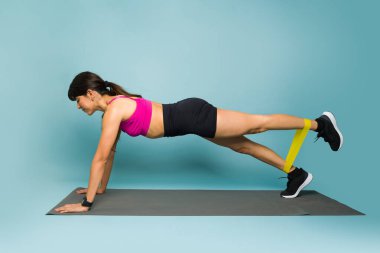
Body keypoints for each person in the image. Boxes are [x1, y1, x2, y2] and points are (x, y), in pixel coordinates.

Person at [55, 71, 343, 213]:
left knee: (258, 124)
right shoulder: (115, 108)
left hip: (192, 115)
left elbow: (100, 156)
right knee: (244, 145)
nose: (78, 106)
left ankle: (320, 124)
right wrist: (102, 187)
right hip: (189, 120)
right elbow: (111, 152)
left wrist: (87, 202)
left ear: (90, 94)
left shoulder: (115, 109)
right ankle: (296, 174)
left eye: (77, 100)